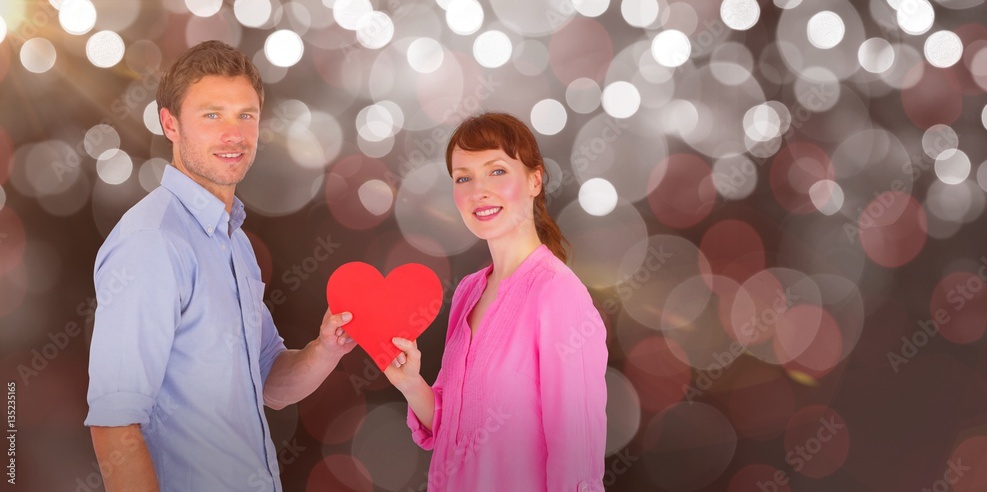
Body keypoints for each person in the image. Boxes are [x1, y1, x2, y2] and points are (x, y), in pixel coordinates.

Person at [84, 40, 356, 492]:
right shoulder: (154, 243)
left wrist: (325, 349)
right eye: (212, 114)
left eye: (245, 115)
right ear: (170, 124)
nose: (233, 134)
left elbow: (269, 380)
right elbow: (115, 427)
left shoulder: (233, 242)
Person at [384, 112, 608, 491]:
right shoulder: (470, 291)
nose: (478, 191)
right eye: (463, 177)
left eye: (497, 171)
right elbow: (453, 426)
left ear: (535, 180)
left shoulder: (558, 295)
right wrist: (410, 383)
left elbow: (577, 459)